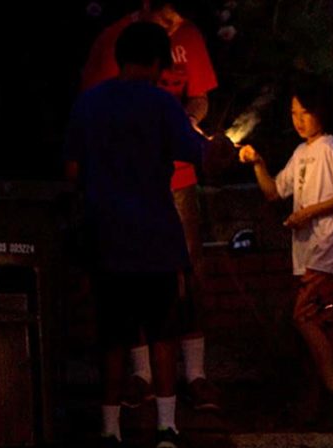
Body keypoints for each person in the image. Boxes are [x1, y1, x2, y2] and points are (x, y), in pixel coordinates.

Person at [65, 21, 204, 448]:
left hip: (106, 233)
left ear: (121, 57)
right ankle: (166, 427)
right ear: (158, 61)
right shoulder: (162, 105)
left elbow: (71, 168)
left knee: (112, 335)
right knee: (162, 330)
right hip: (156, 233)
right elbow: (195, 153)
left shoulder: (89, 103)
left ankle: (110, 430)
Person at [81, 0, 221, 412]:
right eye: (167, 17)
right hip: (130, 184)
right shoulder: (113, 43)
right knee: (135, 275)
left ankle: (194, 374)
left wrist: (188, 122)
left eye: (180, 16)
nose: (176, 25)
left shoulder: (189, 36)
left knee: (188, 269)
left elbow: (201, 97)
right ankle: (142, 377)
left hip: (179, 175)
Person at [238, 80, 333, 427]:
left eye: (305, 112)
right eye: (294, 113)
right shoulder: (302, 153)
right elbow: (274, 192)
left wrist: (308, 213)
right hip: (310, 251)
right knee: (328, 323)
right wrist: (258, 163)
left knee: (306, 318)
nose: (299, 120)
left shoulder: (330, 148)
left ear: (321, 112)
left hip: (327, 249)